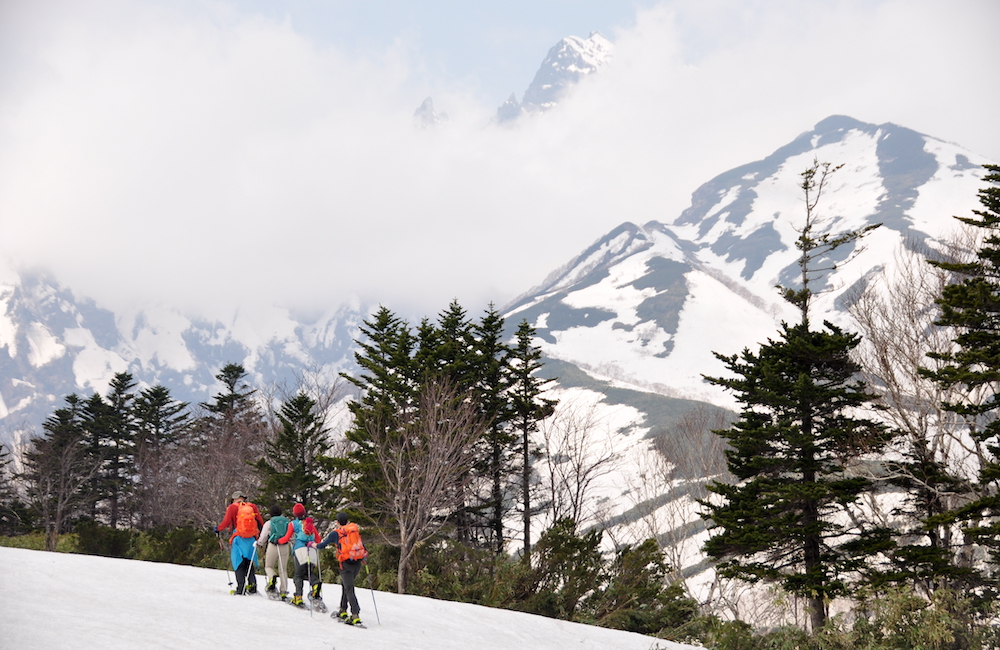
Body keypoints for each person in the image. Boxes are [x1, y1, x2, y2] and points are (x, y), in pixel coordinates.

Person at [317, 511, 368, 626]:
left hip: (345, 564)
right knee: (346, 586)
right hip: (357, 563)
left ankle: (355, 615)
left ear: (337, 522)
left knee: (349, 588)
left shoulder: (336, 533)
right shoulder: (353, 531)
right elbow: (362, 546)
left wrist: (312, 545)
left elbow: (322, 545)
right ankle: (343, 610)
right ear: (347, 521)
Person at [214, 490, 263, 595]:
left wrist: (218, 529)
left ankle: (241, 588)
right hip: (251, 539)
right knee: (249, 563)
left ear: (235, 498)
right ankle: (253, 587)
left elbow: (226, 522)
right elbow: (260, 521)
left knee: (239, 563)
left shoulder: (232, 507)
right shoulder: (252, 506)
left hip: (238, 538)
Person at [277, 502, 323, 609]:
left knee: (298, 575)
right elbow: (318, 539)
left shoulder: (293, 524)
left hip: (299, 550)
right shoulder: (310, 523)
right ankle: (315, 585)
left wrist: (278, 540)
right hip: (311, 549)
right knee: (309, 572)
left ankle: (298, 597)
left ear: (295, 514)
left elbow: (287, 538)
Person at [256, 505, 291, 600]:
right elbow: (291, 535)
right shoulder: (287, 522)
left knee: (268, 566)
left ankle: (272, 577)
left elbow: (263, 536)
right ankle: (283, 591)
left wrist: (259, 543)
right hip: (284, 545)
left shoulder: (269, 523)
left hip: (273, 545)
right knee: (283, 569)